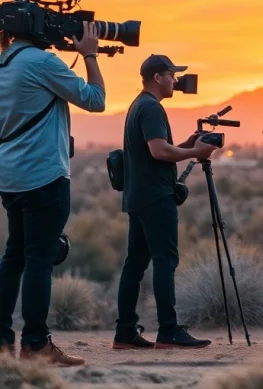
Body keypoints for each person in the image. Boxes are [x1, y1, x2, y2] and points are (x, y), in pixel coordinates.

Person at [0, 24, 105, 366]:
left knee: (14, 256)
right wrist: (89, 54)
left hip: (10, 177)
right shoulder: (40, 62)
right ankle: (35, 345)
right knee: (38, 259)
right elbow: (95, 100)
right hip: (44, 175)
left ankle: (3, 344)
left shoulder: (5, 62)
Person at [112, 55, 219, 350]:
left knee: (135, 264)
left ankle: (124, 332)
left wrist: (187, 144)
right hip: (156, 196)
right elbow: (159, 152)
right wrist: (195, 151)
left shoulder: (139, 105)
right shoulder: (151, 107)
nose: (176, 80)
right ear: (158, 77)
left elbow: (156, 151)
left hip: (138, 195)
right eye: (172, 75)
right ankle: (168, 331)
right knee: (165, 261)